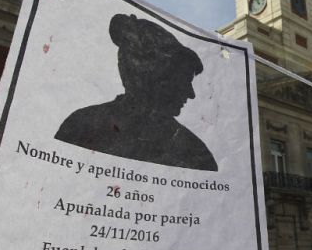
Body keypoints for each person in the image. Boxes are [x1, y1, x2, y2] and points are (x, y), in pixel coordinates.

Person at [55, 13, 217, 171]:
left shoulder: (195, 154)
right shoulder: (81, 126)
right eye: (182, 81)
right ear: (150, 77)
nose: (191, 94)